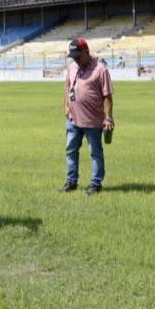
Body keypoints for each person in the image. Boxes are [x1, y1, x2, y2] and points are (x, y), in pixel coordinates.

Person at [63, 38, 114, 195]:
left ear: (87, 52)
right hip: (73, 119)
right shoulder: (72, 67)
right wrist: (66, 105)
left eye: (78, 56)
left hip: (93, 121)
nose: (76, 59)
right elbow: (66, 86)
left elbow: (107, 96)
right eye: (73, 56)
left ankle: (96, 183)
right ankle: (71, 182)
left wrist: (108, 118)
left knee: (95, 152)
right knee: (71, 150)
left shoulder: (100, 69)